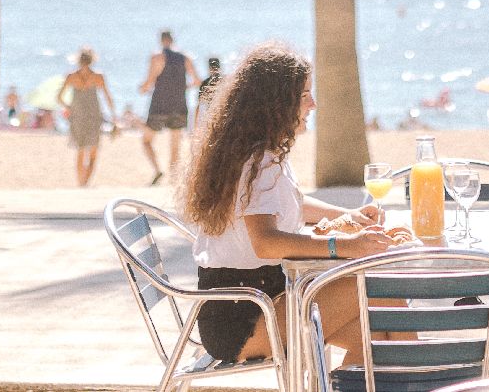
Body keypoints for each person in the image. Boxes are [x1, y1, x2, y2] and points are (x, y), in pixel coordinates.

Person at [183, 42, 394, 365]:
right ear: (277, 103)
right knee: (380, 286)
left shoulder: (261, 153)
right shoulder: (259, 162)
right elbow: (266, 242)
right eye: (304, 95)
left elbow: (291, 204)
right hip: (245, 316)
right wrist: (346, 245)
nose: (313, 104)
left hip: (254, 304)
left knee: (381, 337)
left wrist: (349, 216)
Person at [139, 29, 201, 184]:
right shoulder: (185, 58)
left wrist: (142, 89)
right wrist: (183, 87)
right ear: (172, 40)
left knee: (146, 141)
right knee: (175, 146)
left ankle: (158, 170)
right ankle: (173, 181)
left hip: (159, 106)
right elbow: (197, 81)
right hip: (179, 105)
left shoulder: (157, 57)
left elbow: (149, 82)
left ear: (161, 40)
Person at [56, 47, 117, 187]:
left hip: (77, 116)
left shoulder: (71, 77)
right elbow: (108, 98)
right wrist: (114, 116)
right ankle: (86, 183)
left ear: (78, 60)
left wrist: (69, 107)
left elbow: (59, 97)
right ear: (92, 60)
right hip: (94, 116)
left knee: (81, 150)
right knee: (93, 151)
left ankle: (80, 183)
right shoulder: (98, 77)